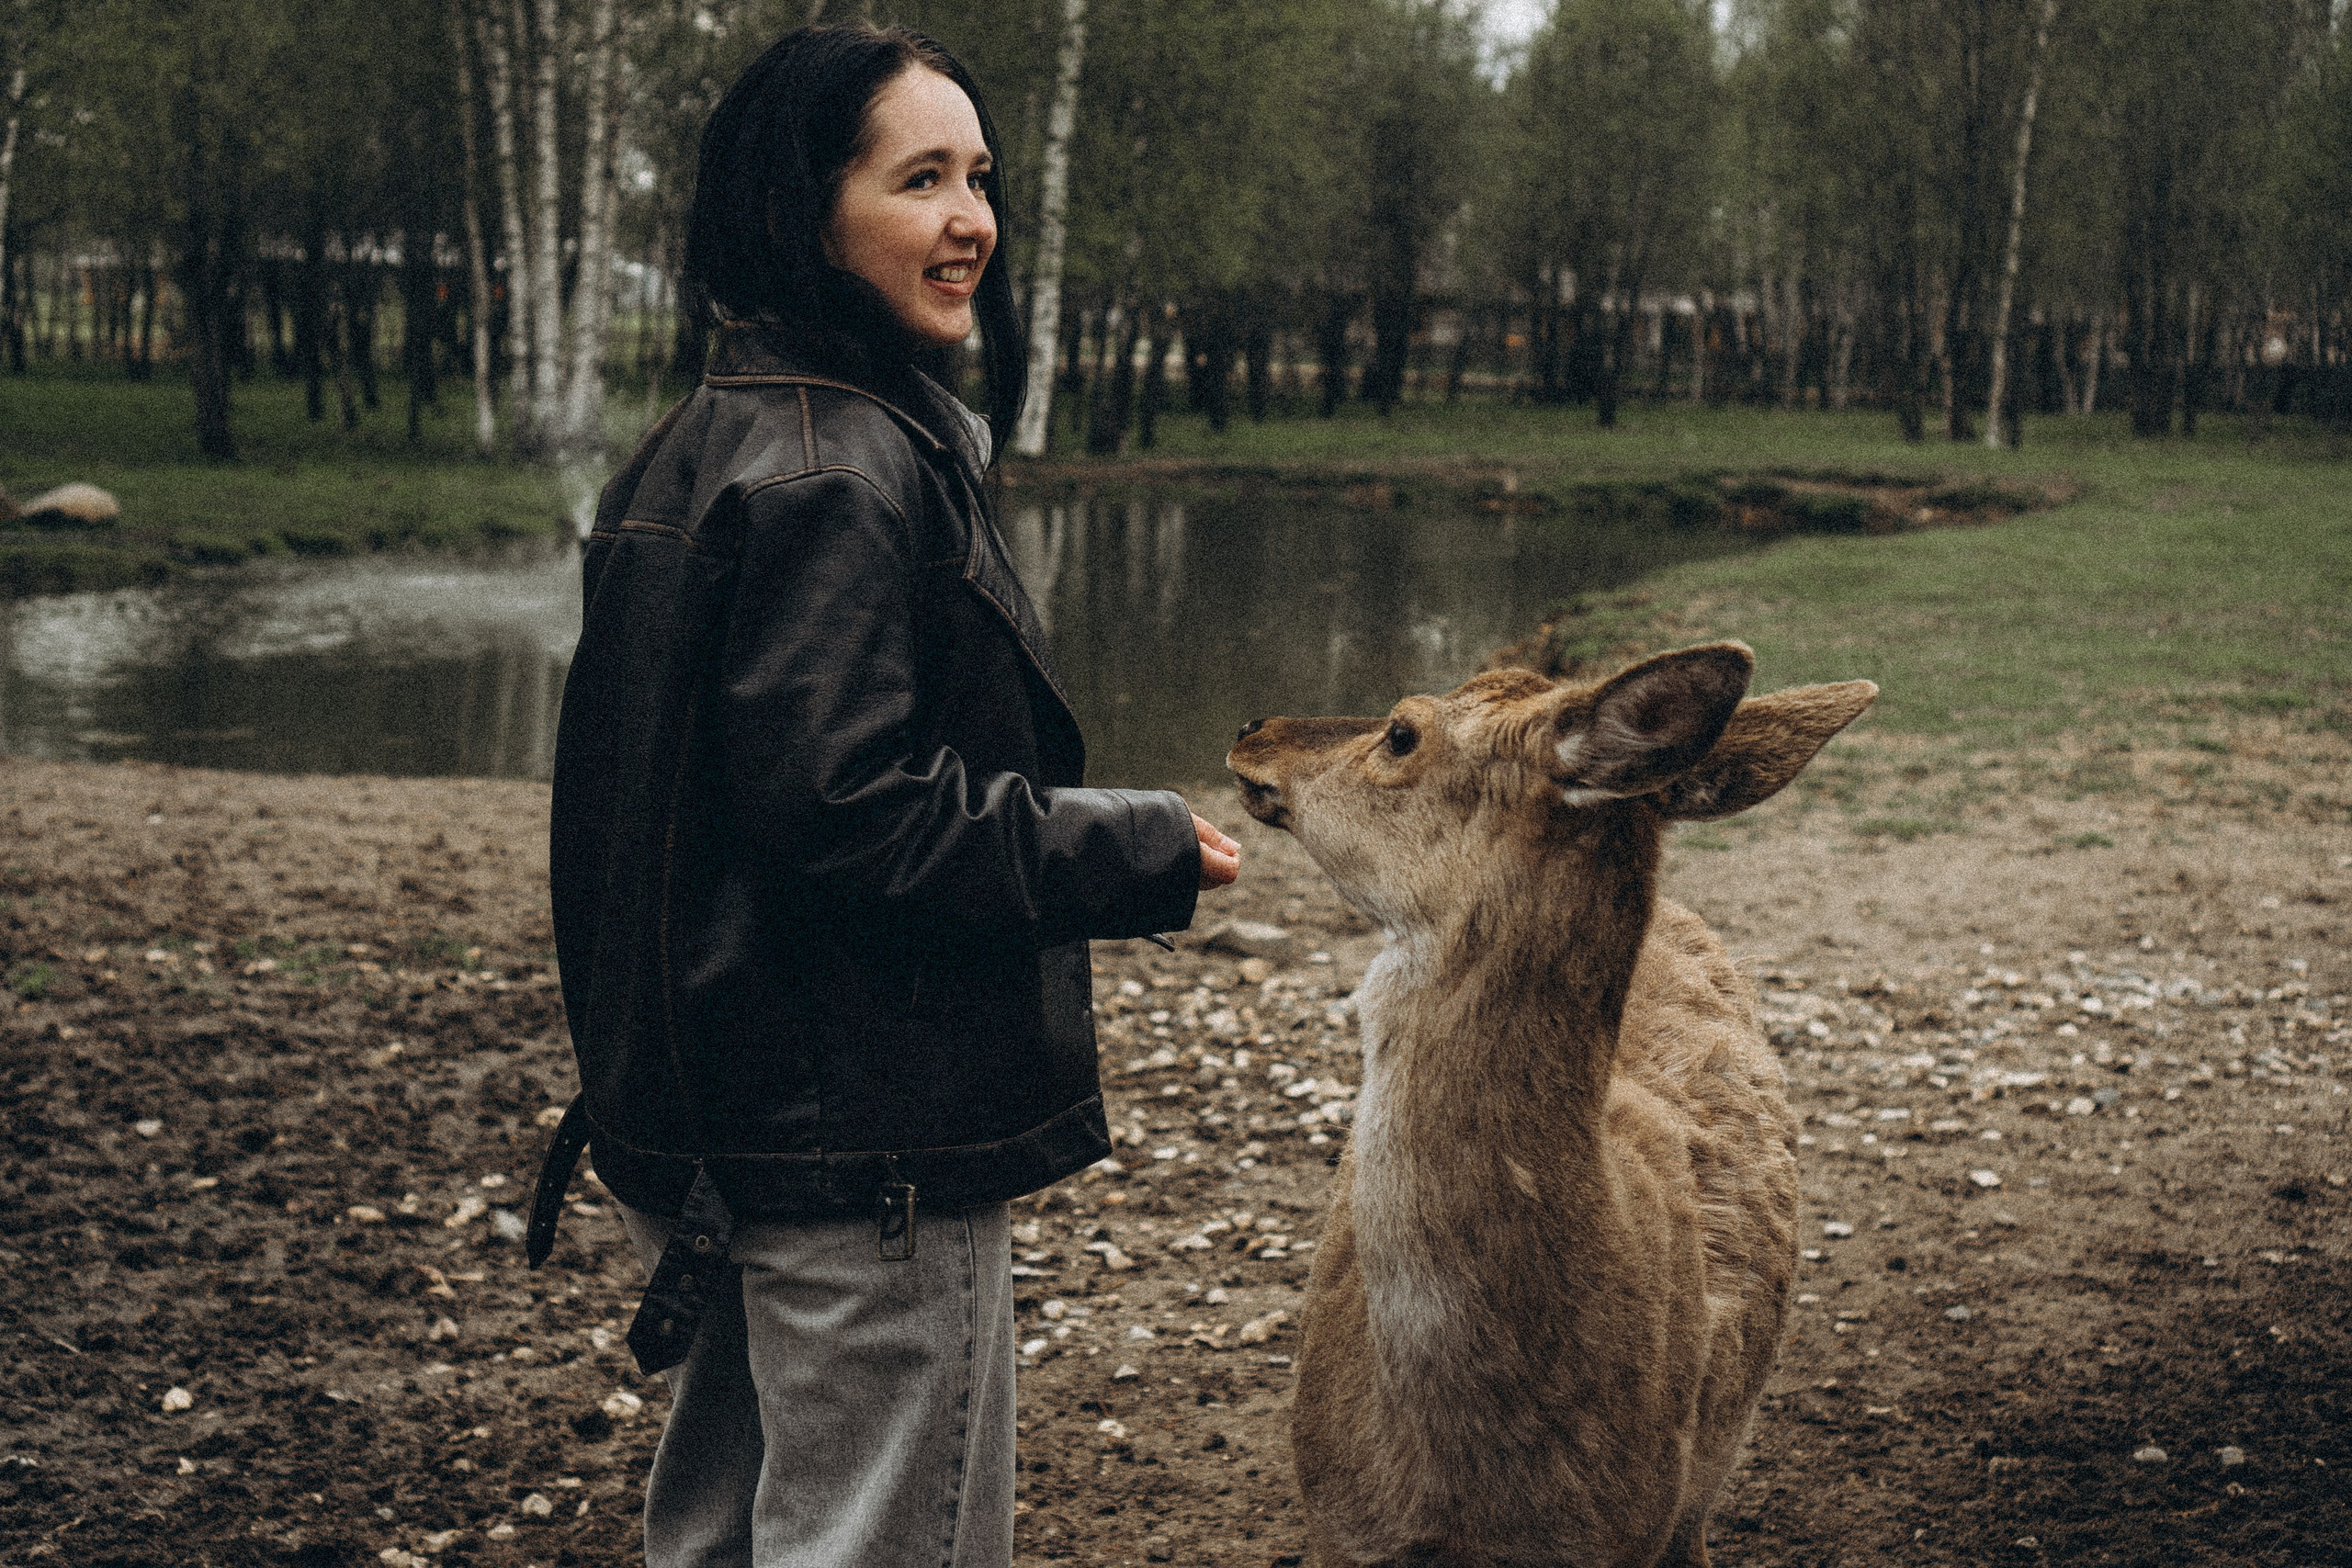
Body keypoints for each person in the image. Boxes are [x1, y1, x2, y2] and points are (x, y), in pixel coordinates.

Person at [526, 22, 1240, 1568]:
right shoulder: (839, 470)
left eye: (980, 177)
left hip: (718, 1120)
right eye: (923, 178)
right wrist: (1137, 845)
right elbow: (853, 810)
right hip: (858, 1154)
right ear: (803, 209)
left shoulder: (707, 439)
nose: (973, 217)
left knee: (720, 1536)